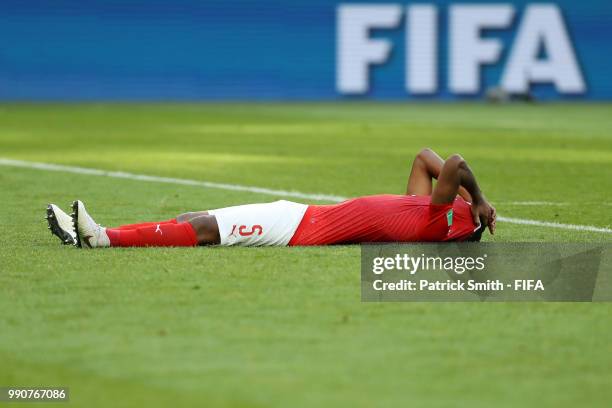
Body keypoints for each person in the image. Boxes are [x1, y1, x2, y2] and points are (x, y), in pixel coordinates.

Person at [45, 148, 496, 249]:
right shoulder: (423, 209)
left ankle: (99, 237)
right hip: (300, 215)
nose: (453, 190)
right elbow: (424, 160)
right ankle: (82, 235)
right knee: (193, 217)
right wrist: (474, 200)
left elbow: (453, 162)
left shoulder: (436, 220)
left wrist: (477, 196)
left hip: (297, 230)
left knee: (203, 230)